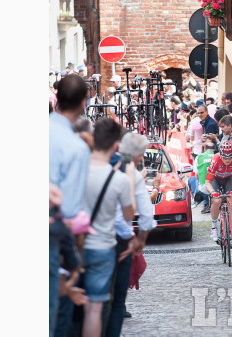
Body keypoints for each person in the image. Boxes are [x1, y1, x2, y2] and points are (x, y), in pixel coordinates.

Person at [80, 120, 137, 337]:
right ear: (116, 145)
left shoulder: (79, 169)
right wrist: (130, 178)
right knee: (95, 308)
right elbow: (129, 215)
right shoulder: (120, 178)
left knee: (76, 308)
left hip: (77, 244)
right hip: (102, 246)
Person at [49, 74, 92, 337]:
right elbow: (71, 210)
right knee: (56, 319)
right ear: (84, 102)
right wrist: (73, 259)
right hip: (54, 237)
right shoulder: (76, 148)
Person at [104, 132, 158, 337]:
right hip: (120, 238)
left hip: (92, 238)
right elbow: (145, 213)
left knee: (95, 296)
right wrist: (141, 241)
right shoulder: (130, 173)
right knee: (118, 300)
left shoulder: (89, 166)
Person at [205, 140, 232, 246]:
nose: (227, 160)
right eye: (225, 158)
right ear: (220, 155)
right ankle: (214, 226)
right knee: (217, 201)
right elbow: (208, 182)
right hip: (215, 179)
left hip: (229, 178)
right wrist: (213, 192)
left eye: (230, 157)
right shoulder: (215, 159)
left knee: (231, 201)